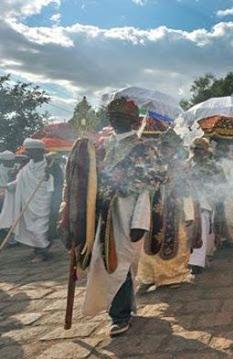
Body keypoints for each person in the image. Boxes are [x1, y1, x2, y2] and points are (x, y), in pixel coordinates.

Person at [82, 98, 153, 337]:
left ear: (134, 121)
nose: (115, 121)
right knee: (106, 264)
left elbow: (147, 186)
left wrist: (140, 222)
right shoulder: (103, 146)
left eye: (121, 118)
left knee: (118, 263)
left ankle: (120, 315)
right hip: (103, 213)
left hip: (128, 211)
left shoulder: (143, 147)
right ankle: (122, 311)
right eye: (113, 117)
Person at [137, 129, 195, 292]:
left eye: (169, 147)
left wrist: (189, 211)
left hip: (173, 208)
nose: (165, 150)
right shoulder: (153, 164)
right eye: (163, 146)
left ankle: (173, 276)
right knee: (150, 242)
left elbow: (187, 190)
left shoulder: (181, 167)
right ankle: (149, 276)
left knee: (177, 240)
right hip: (154, 208)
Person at [0, 139, 54, 262]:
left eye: (31, 151)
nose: (29, 153)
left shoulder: (50, 166)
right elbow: (19, 181)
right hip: (28, 202)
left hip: (43, 202)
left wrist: (49, 177)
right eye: (28, 151)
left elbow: (55, 183)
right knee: (31, 227)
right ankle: (39, 250)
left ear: (40, 151)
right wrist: (8, 186)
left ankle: (43, 252)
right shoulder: (26, 168)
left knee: (39, 228)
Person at [187, 137, 221, 274]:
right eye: (195, 149)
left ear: (206, 152)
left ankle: (197, 263)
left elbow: (220, 184)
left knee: (202, 230)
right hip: (187, 201)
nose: (197, 153)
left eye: (200, 150)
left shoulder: (213, 166)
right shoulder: (187, 164)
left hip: (205, 202)